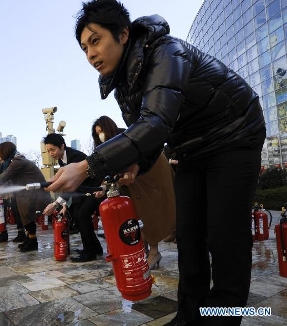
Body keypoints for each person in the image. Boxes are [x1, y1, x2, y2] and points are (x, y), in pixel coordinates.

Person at [48, 1, 266, 325]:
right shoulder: (123, 86)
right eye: (84, 48)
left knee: (225, 239)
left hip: (234, 133)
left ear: (123, 34)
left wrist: (87, 166)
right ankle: (188, 316)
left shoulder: (166, 52)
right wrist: (137, 164)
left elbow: (156, 122)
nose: (90, 54)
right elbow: (147, 137)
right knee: (190, 237)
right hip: (191, 148)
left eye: (95, 41)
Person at [92, 115, 176, 269]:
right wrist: (103, 187)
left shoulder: (125, 137)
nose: (101, 135)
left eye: (102, 131)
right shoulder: (104, 149)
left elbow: (141, 156)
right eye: (97, 133)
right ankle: (142, 251)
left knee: (149, 212)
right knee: (135, 215)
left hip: (150, 173)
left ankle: (154, 252)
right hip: (132, 180)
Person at [42, 133, 103, 262]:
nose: (51, 153)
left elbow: (73, 184)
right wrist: (64, 205)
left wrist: (55, 204)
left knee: (82, 215)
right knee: (77, 217)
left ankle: (90, 253)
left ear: (62, 146)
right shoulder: (61, 159)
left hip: (95, 189)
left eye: (53, 149)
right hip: (82, 191)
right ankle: (95, 248)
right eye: (48, 151)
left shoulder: (76, 157)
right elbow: (69, 186)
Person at [0, 142, 51, 252]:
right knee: (24, 215)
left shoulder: (17, 162)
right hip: (28, 192)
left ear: (5, 151)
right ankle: (29, 239)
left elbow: (4, 177)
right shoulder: (15, 160)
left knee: (27, 215)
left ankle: (32, 241)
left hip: (34, 192)